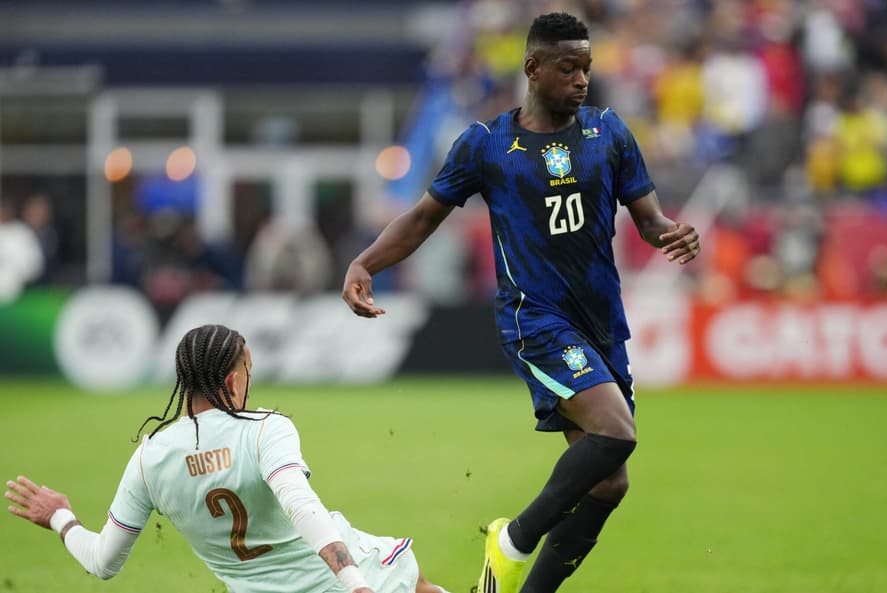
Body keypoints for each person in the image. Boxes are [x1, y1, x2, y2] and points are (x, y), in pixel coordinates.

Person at [342, 12, 700, 593]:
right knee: (617, 432)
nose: (582, 80)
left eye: (586, 67)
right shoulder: (486, 145)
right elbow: (422, 219)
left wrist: (671, 233)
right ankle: (511, 541)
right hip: (535, 319)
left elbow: (649, 218)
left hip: (601, 322)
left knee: (609, 483)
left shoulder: (609, 133)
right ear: (532, 68)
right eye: (568, 68)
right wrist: (365, 263)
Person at [5, 324, 450, 593]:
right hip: (339, 577)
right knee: (418, 584)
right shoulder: (264, 428)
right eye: (248, 371)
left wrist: (60, 517)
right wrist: (355, 584)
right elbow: (300, 504)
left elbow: (103, 562)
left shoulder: (149, 459)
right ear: (235, 379)